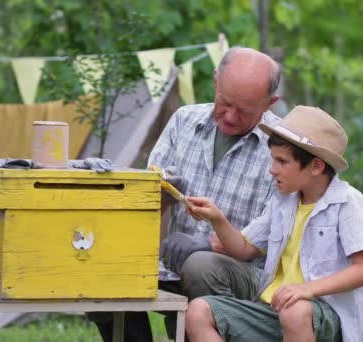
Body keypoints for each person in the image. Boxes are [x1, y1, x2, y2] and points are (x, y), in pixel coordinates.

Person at [90, 46, 282, 342]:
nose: (230, 116)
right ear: (216, 82)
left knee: (200, 264)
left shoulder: (282, 149)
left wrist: (207, 244)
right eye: (225, 102)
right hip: (173, 263)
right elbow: (145, 200)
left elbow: (276, 237)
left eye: (244, 111)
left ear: (270, 103)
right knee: (101, 259)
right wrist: (163, 194)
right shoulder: (184, 121)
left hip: (246, 276)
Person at [184, 105, 363, 342]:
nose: (272, 170)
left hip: (323, 316)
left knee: (294, 311)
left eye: (282, 162)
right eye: (273, 160)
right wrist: (217, 218)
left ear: (316, 166)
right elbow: (243, 250)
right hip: (273, 310)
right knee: (197, 312)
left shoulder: (349, 203)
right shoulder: (283, 201)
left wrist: (307, 290)